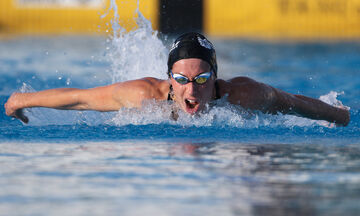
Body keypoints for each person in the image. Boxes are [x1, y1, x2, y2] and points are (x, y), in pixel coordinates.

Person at [4, 32, 350, 126]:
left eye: (201, 79)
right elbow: (80, 98)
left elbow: (292, 103)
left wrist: (338, 115)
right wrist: (21, 100)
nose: (191, 88)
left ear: (216, 79)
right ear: (169, 79)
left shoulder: (243, 95)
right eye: (181, 79)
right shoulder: (145, 96)